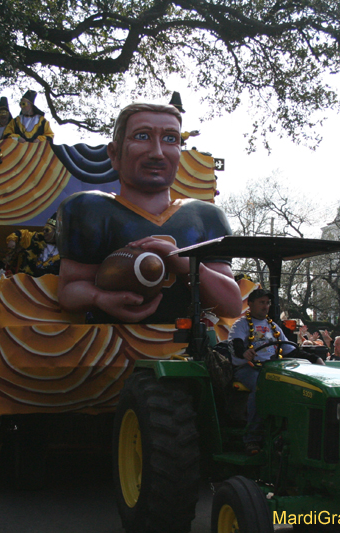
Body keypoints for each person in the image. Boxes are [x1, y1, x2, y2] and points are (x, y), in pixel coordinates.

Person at [57, 102, 242, 324]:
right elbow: (68, 290)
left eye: (170, 139)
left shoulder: (206, 217)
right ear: (114, 153)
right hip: (111, 340)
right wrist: (99, 298)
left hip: (188, 342)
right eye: (142, 136)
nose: (157, 152)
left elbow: (231, 305)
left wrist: (187, 265)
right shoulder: (89, 209)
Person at [228, 289, 297, 454]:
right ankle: (252, 438)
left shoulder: (273, 326)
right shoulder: (241, 324)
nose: (265, 306)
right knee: (262, 385)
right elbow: (236, 344)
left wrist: (313, 358)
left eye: (267, 303)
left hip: (272, 368)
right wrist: (244, 352)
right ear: (250, 304)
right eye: (261, 303)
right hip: (248, 368)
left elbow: (290, 349)